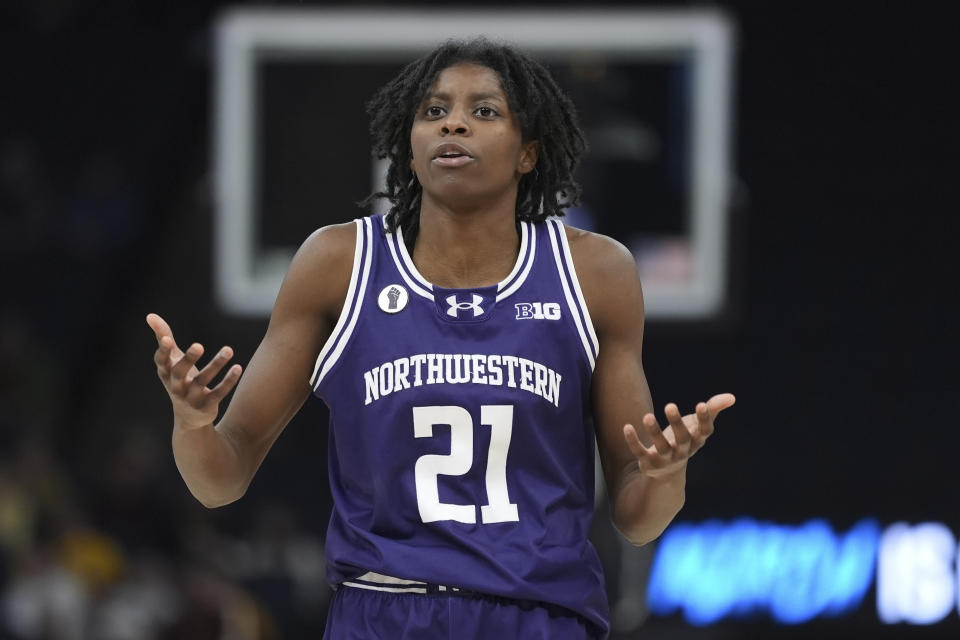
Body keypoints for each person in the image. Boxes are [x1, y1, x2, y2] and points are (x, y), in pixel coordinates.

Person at [146, 38, 734, 639]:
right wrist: (192, 425)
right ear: (409, 142)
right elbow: (220, 480)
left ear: (528, 152)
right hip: (383, 612)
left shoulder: (595, 274)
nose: (453, 121)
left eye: (484, 111)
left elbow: (636, 518)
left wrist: (665, 475)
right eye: (433, 111)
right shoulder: (338, 264)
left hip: (539, 616)